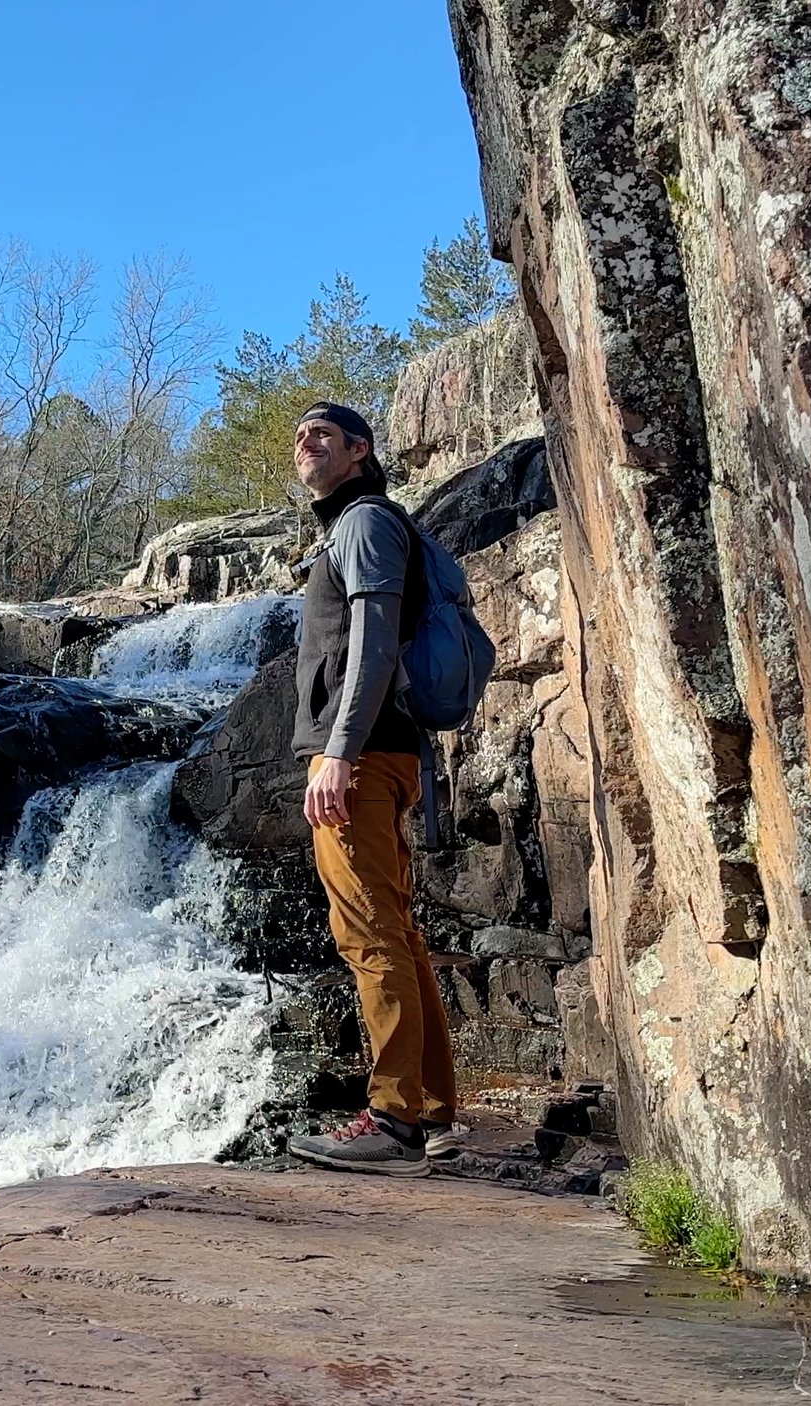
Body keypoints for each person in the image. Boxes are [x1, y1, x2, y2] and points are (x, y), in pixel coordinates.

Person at [280, 402, 464, 1177]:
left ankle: (391, 1118)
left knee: (368, 933)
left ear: (360, 450)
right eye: (299, 436)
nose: (305, 443)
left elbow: (376, 641)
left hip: (362, 757)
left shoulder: (361, 523)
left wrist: (339, 752)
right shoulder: (360, 526)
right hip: (386, 757)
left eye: (322, 433)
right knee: (395, 930)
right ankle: (429, 1109)